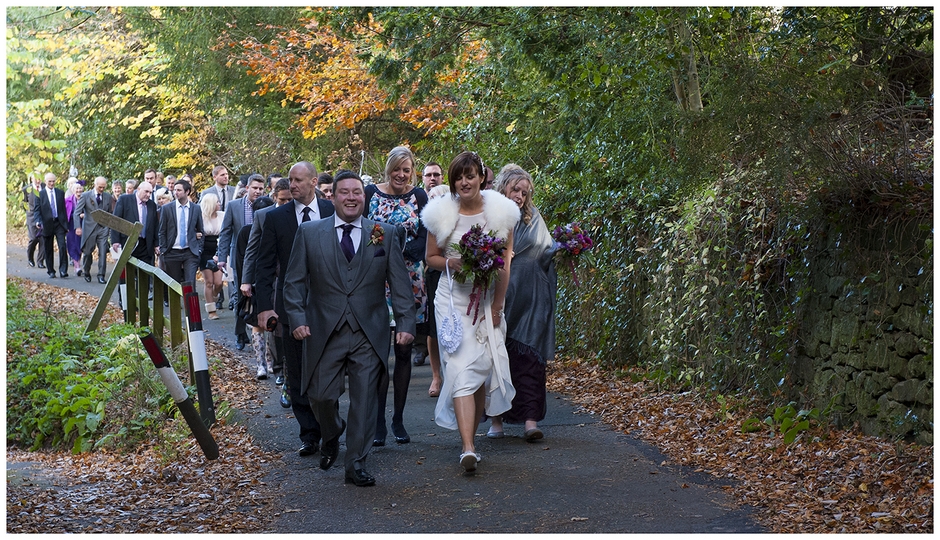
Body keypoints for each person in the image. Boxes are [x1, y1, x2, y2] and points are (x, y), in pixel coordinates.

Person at [283, 170, 416, 487]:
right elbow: (294, 283)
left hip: (369, 331)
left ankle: (355, 463)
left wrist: (406, 323)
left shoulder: (382, 233)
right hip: (324, 330)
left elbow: (400, 284)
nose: (352, 197)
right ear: (333, 196)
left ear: (364, 196)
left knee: (366, 400)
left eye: (357, 191)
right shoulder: (310, 233)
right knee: (320, 396)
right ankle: (330, 433)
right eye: (344, 192)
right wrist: (298, 319)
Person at [421, 151, 520, 473]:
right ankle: (467, 448)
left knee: (480, 372)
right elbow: (430, 258)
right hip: (452, 301)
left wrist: (497, 305)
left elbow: (504, 263)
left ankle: (471, 437)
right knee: (461, 369)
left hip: (487, 300)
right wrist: (454, 262)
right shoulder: (439, 213)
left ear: (481, 177)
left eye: (470, 176)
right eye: (458, 177)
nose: (464, 182)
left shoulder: (502, 213)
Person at [255, 161, 334, 458]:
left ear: (314, 182)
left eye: (299, 180)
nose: (293, 185)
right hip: (291, 305)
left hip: (329, 304)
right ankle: (309, 434)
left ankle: (331, 429)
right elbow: (263, 265)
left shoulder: (332, 210)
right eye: (290, 180)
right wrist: (264, 308)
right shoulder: (277, 218)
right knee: (297, 372)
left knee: (328, 369)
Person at [362, 146, 428, 446]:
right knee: (378, 354)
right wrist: (383, 258)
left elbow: (426, 237)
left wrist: (402, 257)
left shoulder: (419, 197)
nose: (401, 175)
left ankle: (398, 419)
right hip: (376, 279)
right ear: (388, 168)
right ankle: (377, 423)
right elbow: (364, 232)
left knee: (403, 350)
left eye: (406, 169)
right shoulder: (371, 194)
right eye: (396, 169)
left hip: (409, 280)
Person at [487, 164, 557, 442]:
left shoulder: (534, 217)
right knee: (494, 358)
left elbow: (545, 250)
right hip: (498, 295)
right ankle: (496, 421)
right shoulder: (490, 213)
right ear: (502, 185)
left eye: (524, 192)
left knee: (529, 359)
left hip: (531, 297)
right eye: (515, 189)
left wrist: (568, 249)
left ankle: (530, 420)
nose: (519, 195)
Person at [240, 177, 292, 389]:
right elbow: (252, 250)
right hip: (274, 277)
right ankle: (279, 368)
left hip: (300, 275)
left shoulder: (305, 211)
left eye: (290, 200)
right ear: (274, 198)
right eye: (282, 200)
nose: (286, 204)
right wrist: (246, 280)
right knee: (275, 323)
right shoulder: (264, 215)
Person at [218, 174, 266, 350]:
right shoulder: (234, 206)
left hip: (261, 258)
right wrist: (222, 258)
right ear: (247, 188)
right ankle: (240, 333)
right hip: (240, 257)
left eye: (261, 188)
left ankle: (259, 330)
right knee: (240, 296)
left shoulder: (266, 205)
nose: (258, 191)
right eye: (255, 188)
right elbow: (226, 233)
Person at [235, 195, 275, 380]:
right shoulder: (246, 232)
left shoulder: (277, 230)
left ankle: (269, 362)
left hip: (271, 282)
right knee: (256, 323)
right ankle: (262, 364)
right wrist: (245, 281)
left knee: (271, 324)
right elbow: (243, 258)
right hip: (254, 282)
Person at [421, 162, 446, 396]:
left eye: (436, 174)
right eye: (428, 175)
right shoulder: (420, 203)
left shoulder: (450, 198)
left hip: (451, 272)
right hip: (430, 273)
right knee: (433, 327)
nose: (432, 178)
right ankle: (436, 377)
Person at [158, 179, 204, 286]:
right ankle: (174, 303)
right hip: (172, 251)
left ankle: (191, 303)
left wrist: (199, 249)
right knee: (174, 284)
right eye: (175, 190)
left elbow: (201, 230)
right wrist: (163, 250)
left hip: (190, 252)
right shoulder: (167, 209)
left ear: (187, 192)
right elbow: (162, 231)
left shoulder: (196, 209)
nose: (176, 192)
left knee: (190, 283)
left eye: (179, 190)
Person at [74, 176, 114, 283]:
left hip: (103, 228)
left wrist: (109, 227)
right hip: (89, 228)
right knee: (87, 252)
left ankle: (101, 275)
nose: (102, 189)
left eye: (103, 187)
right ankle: (86, 271)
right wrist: (77, 227)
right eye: (100, 187)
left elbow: (110, 213)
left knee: (103, 252)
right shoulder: (86, 196)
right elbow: (77, 212)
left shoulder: (108, 197)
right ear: (95, 185)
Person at [111, 181, 158, 265]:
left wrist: (156, 244)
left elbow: (155, 225)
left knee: (146, 274)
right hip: (128, 242)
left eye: (150, 192)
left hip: (146, 245)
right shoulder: (125, 200)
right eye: (146, 191)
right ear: (138, 189)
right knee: (127, 273)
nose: (148, 195)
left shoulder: (152, 205)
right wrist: (115, 241)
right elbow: (116, 220)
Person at [35, 172, 70, 278]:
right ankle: (51, 270)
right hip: (46, 224)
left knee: (62, 246)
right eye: (49, 181)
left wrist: (66, 225)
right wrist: (38, 221)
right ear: (45, 182)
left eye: (53, 181)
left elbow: (63, 210)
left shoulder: (60, 193)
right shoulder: (40, 195)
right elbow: (37, 211)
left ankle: (63, 270)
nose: (51, 183)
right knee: (48, 248)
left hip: (59, 223)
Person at [199, 193, 224, 320]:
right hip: (205, 251)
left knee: (218, 283)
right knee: (209, 282)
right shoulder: (201, 217)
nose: (219, 204)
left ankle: (212, 297)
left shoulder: (223, 216)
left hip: (219, 250)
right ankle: (211, 311)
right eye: (217, 202)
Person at [23, 173, 45, 269]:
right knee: (34, 239)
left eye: (39, 178)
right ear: (31, 179)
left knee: (43, 239)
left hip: (43, 217)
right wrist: (30, 212)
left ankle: (40, 261)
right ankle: (30, 258)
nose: (37, 180)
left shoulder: (44, 187)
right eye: (35, 178)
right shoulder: (26, 189)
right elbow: (24, 204)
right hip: (32, 218)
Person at [65, 180, 85, 276]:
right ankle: (77, 266)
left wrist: (84, 215)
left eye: (80, 189)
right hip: (71, 225)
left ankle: (78, 263)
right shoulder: (68, 200)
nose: (78, 190)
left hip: (83, 225)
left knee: (80, 245)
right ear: (73, 190)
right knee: (72, 245)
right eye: (76, 189)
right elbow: (64, 214)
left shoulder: (85, 199)